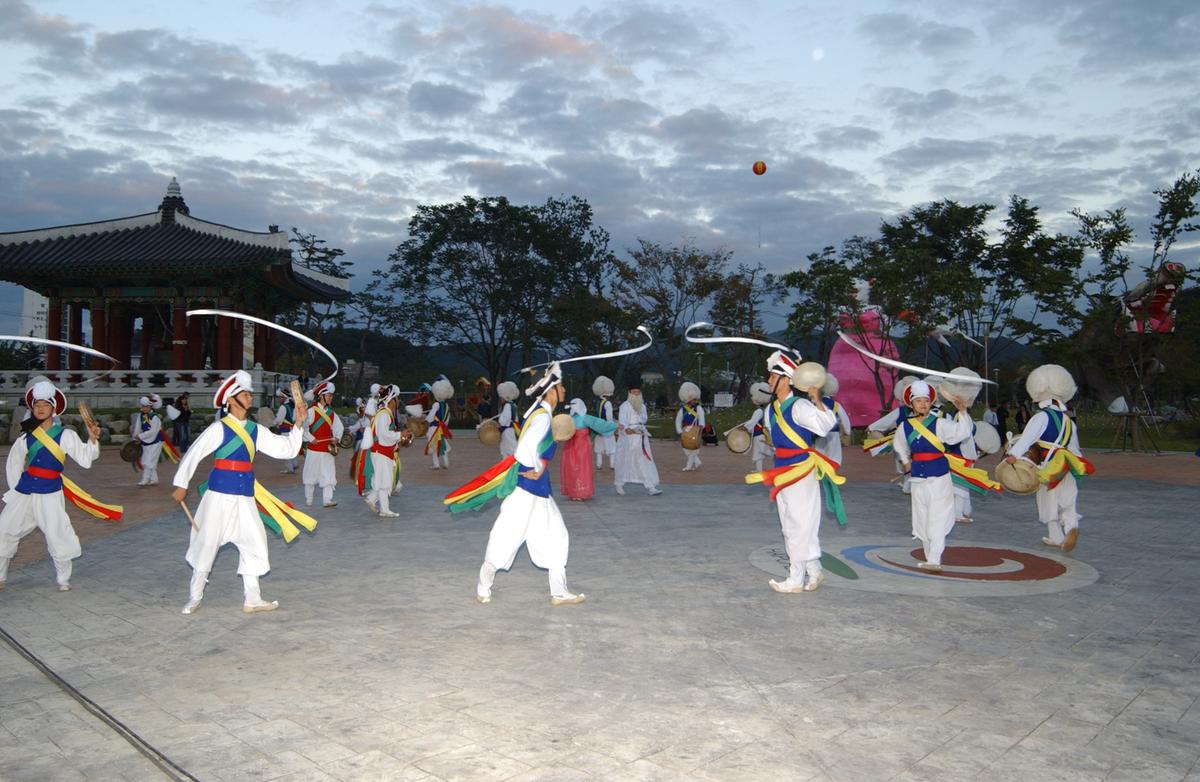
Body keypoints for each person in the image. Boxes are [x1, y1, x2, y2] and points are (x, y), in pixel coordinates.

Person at [172, 371, 313, 615]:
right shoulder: (219, 429)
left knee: (255, 542)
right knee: (206, 544)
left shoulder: (255, 430)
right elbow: (194, 453)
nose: (250, 397)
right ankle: (195, 596)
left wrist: (298, 424)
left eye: (249, 394)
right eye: (245, 394)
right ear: (231, 400)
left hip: (245, 496)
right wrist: (181, 484)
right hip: (218, 496)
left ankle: (253, 598)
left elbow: (286, 449)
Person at [470, 363, 585, 605]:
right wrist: (534, 467)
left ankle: (559, 592)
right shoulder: (543, 417)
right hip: (527, 491)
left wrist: (539, 466)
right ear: (552, 391)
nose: (564, 390)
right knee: (505, 538)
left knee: (557, 536)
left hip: (539, 492)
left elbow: (536, 449)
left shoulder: (539, 413)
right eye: (561, 386)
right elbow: (524, 450)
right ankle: (483, 584)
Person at [0, 380, 118, 592]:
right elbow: (14, 463)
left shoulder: (66, 435)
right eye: (37, 405)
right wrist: (16, 488)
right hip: (25, 491)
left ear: (53, 408)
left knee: (57, 534)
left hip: (50, 492)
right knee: (4, 530)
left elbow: (85, 459)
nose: (40, 408)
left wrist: (92, 440)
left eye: (45, 405)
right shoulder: (25, 436)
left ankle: (63, 579)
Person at [747, 354, 839, 593]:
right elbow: (776, 442)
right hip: (782, 472)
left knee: (799, 524)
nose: (769, 381)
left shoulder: (800, 406)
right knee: (790, 524)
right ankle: (815, 571)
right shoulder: (771, 410)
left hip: (801, 472)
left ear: (786, 381)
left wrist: (815, 397)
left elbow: (825, 424)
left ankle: (795, 579)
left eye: (773, 376)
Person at [1006, 364, 1094, 552]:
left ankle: (1057, 536)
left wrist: (1013, 455)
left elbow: (1027, 438)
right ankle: (1071, 528)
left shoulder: (1041, 418)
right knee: (1068, 501)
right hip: (1066, 467)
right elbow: (1076, 450)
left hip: (1047, 467)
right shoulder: (1069, 421)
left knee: (1048, 502)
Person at [892, 380, 974, 572]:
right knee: (921, 517)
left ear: (931, 403)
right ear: (911, 404)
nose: (922, 404)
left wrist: (962, 412)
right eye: (918, 401)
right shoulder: (905, 426)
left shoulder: (940, 423)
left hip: (939, 476)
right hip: (917, 478)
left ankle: (935, 557)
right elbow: (899, 445)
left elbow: (962, 432)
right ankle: (930, 556)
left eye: (926, 401)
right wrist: (906, 462)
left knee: (937, 517)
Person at [864, 375, 919, 494]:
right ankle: (909, 484)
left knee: (904, 461)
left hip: (903, 441)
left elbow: (885, 422)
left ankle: (908, 485)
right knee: (911, 462)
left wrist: (871, 428)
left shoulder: (901, 411)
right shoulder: (923, 410)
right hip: (917, 441)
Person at [561, 398, 618, 501]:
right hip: (581, 446)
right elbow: (600, 424)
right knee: (582, 468)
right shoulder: (585, 418)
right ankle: (581, 492)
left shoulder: (568, 418)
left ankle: (573, 492)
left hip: (569, 447)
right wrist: (615, 425)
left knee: (572, 468)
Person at [613, 377, 662, 496]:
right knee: (624, 460)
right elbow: (623, 422)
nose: (636, 394)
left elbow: (644, 419)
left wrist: (639, 425)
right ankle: (619, 484)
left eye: (638, 392)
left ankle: (650, 486)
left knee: (644, 460)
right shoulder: (624, 406)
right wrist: (627, 429)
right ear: (629, 393)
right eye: (634, 392)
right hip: (628, 439)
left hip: (640, 437)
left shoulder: (642, 406)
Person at [362, 385, 405, 517]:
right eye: (396, 398)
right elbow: (383, 435)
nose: (397, 401)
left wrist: (399, 437)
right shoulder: (384, 414)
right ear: (391, 399)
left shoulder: (384, 413)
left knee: (383, 480)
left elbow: (384, 435)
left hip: (382, 451)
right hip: (381, 452)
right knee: (384, 479)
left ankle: (380, 506)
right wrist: (400, 435)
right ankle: (377, 503)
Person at [301, 380, 344, 508]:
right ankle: (309, 499)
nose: (331, 398)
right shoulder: (311, 411)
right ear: (321, 396)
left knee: (329, 474)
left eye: (331, 396)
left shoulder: (331, 413)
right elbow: (303, 427)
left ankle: (327, 499)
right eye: (329, 395)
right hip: (314, 448)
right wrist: (310, 437)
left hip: (327, 449)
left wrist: (336, 438)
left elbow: (339, 428)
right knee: (310, 474)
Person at [737, 382, 775, 473]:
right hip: (761, 434)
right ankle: (759, 469)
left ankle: (773, 463)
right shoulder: (764, 409)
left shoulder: (758, 411)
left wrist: (745, 428)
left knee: (763, 451)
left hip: (759, 435)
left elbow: (752, 422)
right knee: (759, 452)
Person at [132, 395, 165, 486]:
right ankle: (154, 479)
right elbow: (137, 428)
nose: (144, 408)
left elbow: (153, 431)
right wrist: (135, 438)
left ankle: (145, 480)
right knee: (146, 460)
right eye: (143, 406)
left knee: (149, 461)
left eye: (146, 406)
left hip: (156, 441)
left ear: (150, 407)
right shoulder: (141, 416)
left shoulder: (155, 417)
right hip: (145, 441)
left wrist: (140, 436)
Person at [674, 381, 706, 471]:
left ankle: (688, 466)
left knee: (693, 449)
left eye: (695, 399)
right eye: (692, 399)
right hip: (686, 431)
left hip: (695, 431)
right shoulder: (682, 410)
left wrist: (700, 429)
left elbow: (702, 419)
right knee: (686, 449)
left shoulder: (698, 408)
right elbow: (678, 420)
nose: (694, 401)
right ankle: (697, 462)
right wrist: (680, 431)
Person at [425, 376, 454, 469]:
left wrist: (425, 419)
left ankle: (436, 464)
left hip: (434, 428)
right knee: (442, 446)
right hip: (441, 428)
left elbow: (430, 417)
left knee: (434, 446)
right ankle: (446, 462)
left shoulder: (436, 404)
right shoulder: (446, 405)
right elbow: (447, 419)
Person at [592, 376, 617, 469]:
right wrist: (613, 426)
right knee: (612, 448)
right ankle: (612, 465)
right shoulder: (608, 403)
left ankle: (599, 465)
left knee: (599, 448)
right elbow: (609, 417)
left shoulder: (597, 402)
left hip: (598, 427)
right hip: (606, 427)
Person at [273, 388, 298, 474]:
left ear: (284, 397)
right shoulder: (291, 406)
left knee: (285, 450)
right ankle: (294, 464)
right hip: (291, 431)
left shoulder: (283, 407)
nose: (278, 399)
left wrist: (273, 423)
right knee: (291, 448)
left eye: (280, 397)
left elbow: (279, 420)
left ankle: (289, 468)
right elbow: (294, 419)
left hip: (285, 431)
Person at [496, 381, 521, 458]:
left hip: (508, 431)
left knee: (510, 450)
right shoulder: (513, 405)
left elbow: (503, 421)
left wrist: (498, 425)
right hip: (511, 430)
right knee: (508, 449)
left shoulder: (507, 405)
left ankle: (514, 468)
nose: (500, 398)